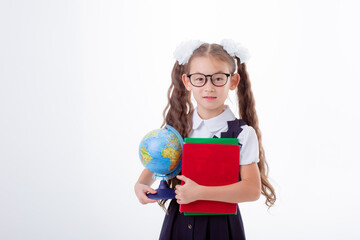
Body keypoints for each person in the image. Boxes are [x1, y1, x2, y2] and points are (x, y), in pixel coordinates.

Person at [134, 39, 276, 240]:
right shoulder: (179, 128)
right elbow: (156, 163)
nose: (208, 87)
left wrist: (199, 193)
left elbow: (252, 190)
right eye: (200, 78)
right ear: (187, 82)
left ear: (233, 81)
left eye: (218, 78)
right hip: (178, 223)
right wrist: (140, 184)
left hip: (222, 227)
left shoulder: (242, 133)